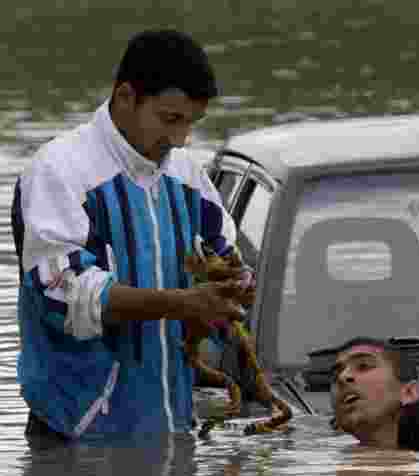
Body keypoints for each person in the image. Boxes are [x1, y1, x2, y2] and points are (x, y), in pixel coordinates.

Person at [12, 29, 247, 442]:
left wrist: (234, 285)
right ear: (125, 97)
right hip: (76, 434)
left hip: (171, 427)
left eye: (191, 123)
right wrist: (183, 303)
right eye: (170, 119)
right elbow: (63, 294)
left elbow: (226, 254)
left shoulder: (188, 176)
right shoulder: (59, 170)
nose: (180, 139)